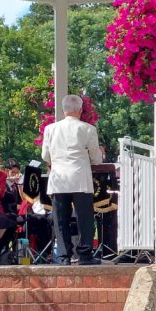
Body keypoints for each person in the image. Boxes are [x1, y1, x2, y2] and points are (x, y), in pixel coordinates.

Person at [41, 94, 102, 265]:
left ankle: (63, 255)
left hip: (59, 179)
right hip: (80, 178)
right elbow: (96, 158)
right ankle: (84, 254)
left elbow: (45, 155)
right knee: (85, 219)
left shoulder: (50, 129)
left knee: (61, 219)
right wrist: (99, 155)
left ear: (63, 110)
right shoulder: (88, 129)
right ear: (80, 110)